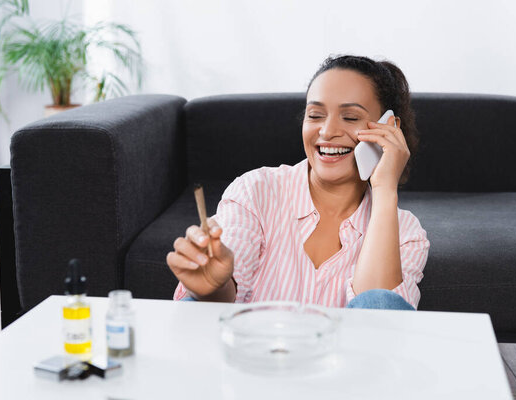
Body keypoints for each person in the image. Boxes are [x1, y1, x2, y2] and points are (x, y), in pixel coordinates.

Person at [166, 55, 430, 310]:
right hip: (255, 351)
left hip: (351, 355)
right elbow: (225, 291)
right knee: (195, 304)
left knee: (381, 302)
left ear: (389, 128)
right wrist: (214, 286)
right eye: (315, 115)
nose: (327, 132)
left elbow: (379, 317)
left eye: (350, 117)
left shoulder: (406, 234)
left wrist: (385, 190)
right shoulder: (256, 191)